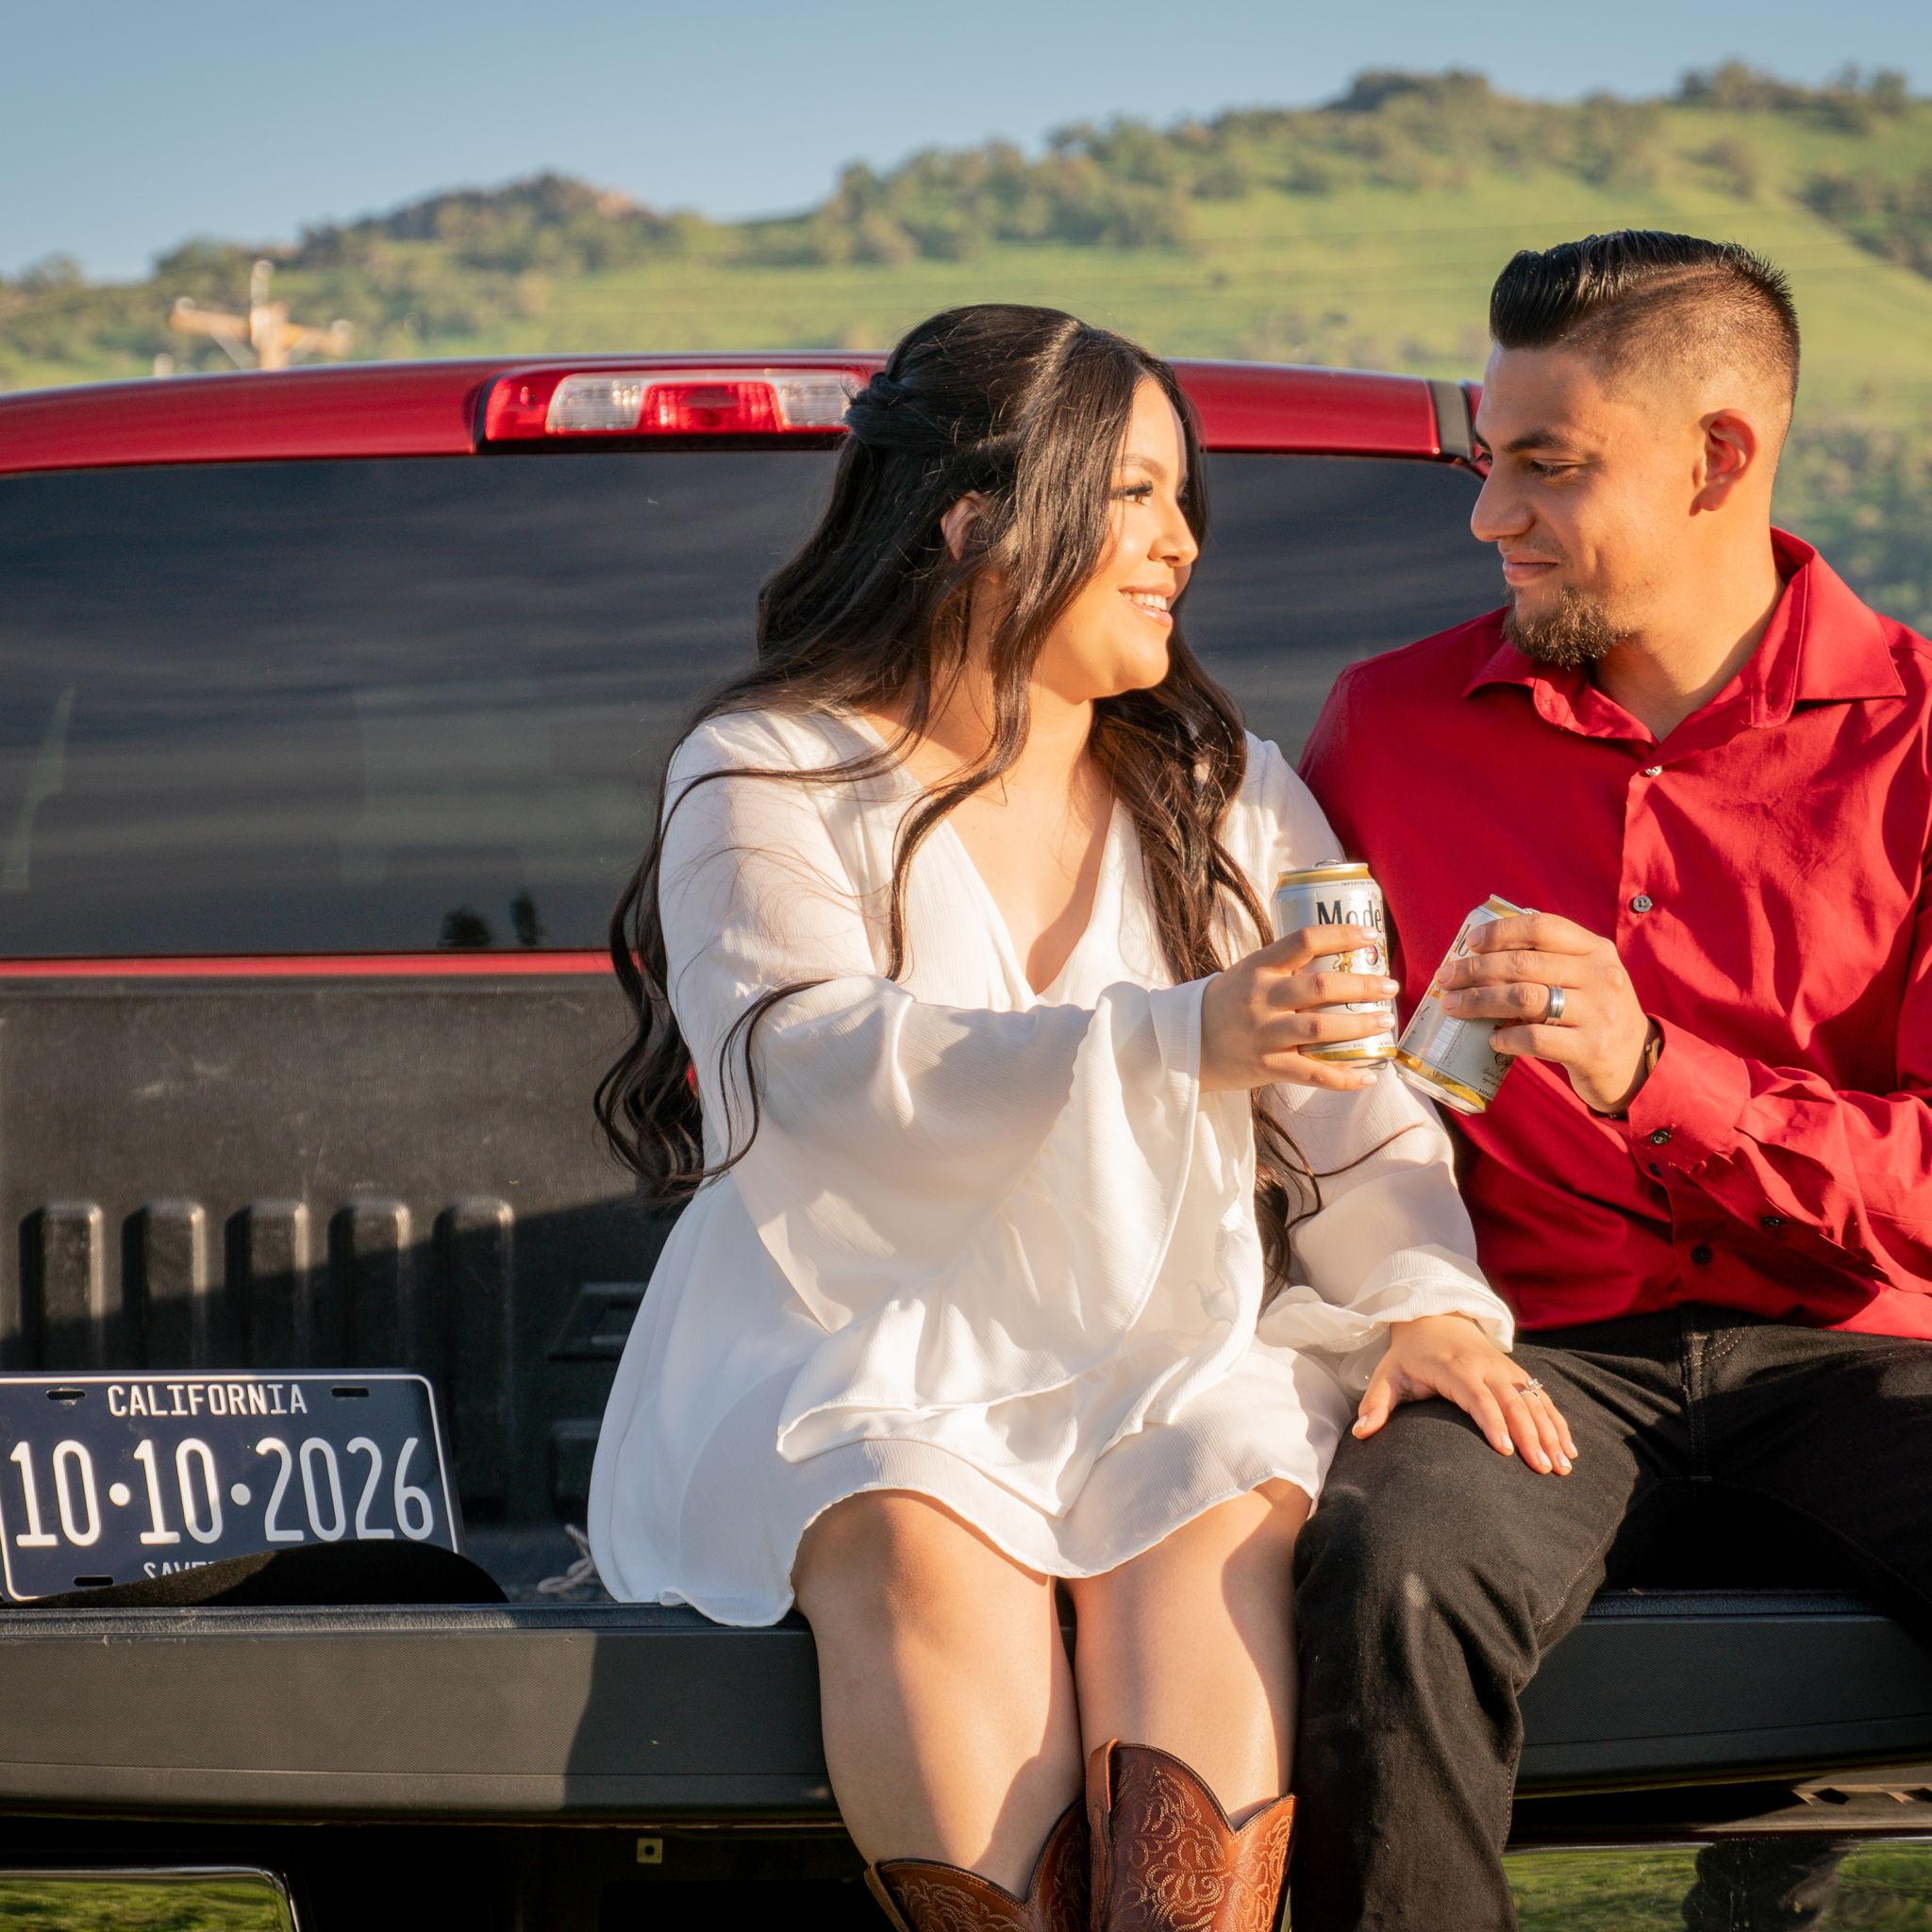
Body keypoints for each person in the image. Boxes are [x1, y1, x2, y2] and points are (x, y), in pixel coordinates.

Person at [587, 304, 1541, 1931]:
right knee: (909, 1513)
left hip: (1164, 1344)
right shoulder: (766, 773)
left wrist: (1426, 1299)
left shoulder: (1227, 791)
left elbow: (1355, 1105)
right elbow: (812, 1061)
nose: (1183, 544)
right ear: (975, 520)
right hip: (846, 1347)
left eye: (1184, 501)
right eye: (1138, 496)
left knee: (1222, 1488)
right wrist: (1181, 1037)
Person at [1293, 229, 1932, 1932]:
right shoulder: (1385, 730)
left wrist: (1659, 1073)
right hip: (1532, 1361)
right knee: (1384, 1570)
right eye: (1488, 464)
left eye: (1547, 467)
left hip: (1860, 1351)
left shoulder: (1924, 740)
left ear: (1720, 456)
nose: (1489, 516)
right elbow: (1312, 1101)